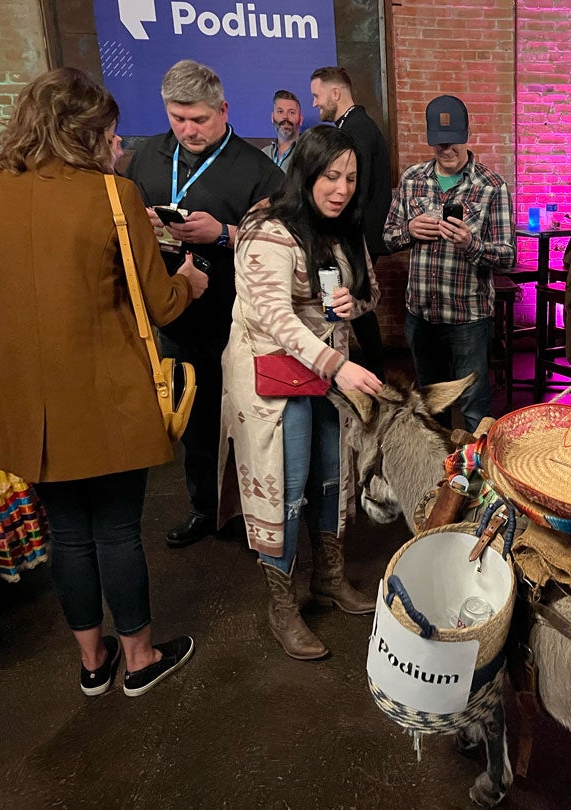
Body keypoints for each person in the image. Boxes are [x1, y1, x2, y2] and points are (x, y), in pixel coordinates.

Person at [0, 68, 208, 695]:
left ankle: (93, 662)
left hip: (28, 406)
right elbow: (161, 306)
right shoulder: (112, 198)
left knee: (68, 536)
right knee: (115, 531)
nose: (116, 145)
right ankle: (140, 658)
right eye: (108, 133)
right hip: (107, 399)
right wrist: (191, 281)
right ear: (85, 133)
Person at [219, 125, 384, 659]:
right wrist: (339, 364)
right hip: (276, 381)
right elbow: (275, 317)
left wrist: (351, 306)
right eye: (331, 176)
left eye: (351, 178)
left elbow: (371, 291)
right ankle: (282, 605)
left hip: (327, 376)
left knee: (332, 476)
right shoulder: (268, 228)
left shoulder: (344, 227)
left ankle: (329, 579)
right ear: (306, 173)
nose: (341, 189)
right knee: (284, 488)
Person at [124, 60, 284, 548]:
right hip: (170, 310)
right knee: (192, 420)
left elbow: (284, 240)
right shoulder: (149, 155)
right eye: (178, 118)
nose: (188, 130)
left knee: (242, 418)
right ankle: (203, 507)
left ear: (223, 110)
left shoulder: (259, 169)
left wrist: (225, 233)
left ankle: (249, 511)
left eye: (200, 119)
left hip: (238, 317)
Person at [384, 94, 515, 431]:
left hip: (468, 319)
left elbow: (507, 257)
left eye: (452, 141)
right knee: (430, 408)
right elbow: (387, 237)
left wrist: (471, 244)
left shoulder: (491, 186)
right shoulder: (412, 180)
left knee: (474, 409)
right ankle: (436, 479)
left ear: (466, 134)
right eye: (439, 144)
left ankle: (477, 480)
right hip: (421, 316)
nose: (446, 150)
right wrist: (410, 230)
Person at [310, 66, 392, 378]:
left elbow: (355, 192)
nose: (315, 103)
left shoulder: (356, 129)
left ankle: (375, 379)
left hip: (358, 236)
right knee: (357, 307)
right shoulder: (357, 125)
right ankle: (375, 376)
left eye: (318, 95)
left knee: (357, 306)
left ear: (335, 92)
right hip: (360, 235)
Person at [263, 89, 301, 171]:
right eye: (280, 111)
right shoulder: (264, 154)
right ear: (272, 118)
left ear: (300, 120)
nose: (285, 117)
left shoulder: (308, 153)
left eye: (291, 112)